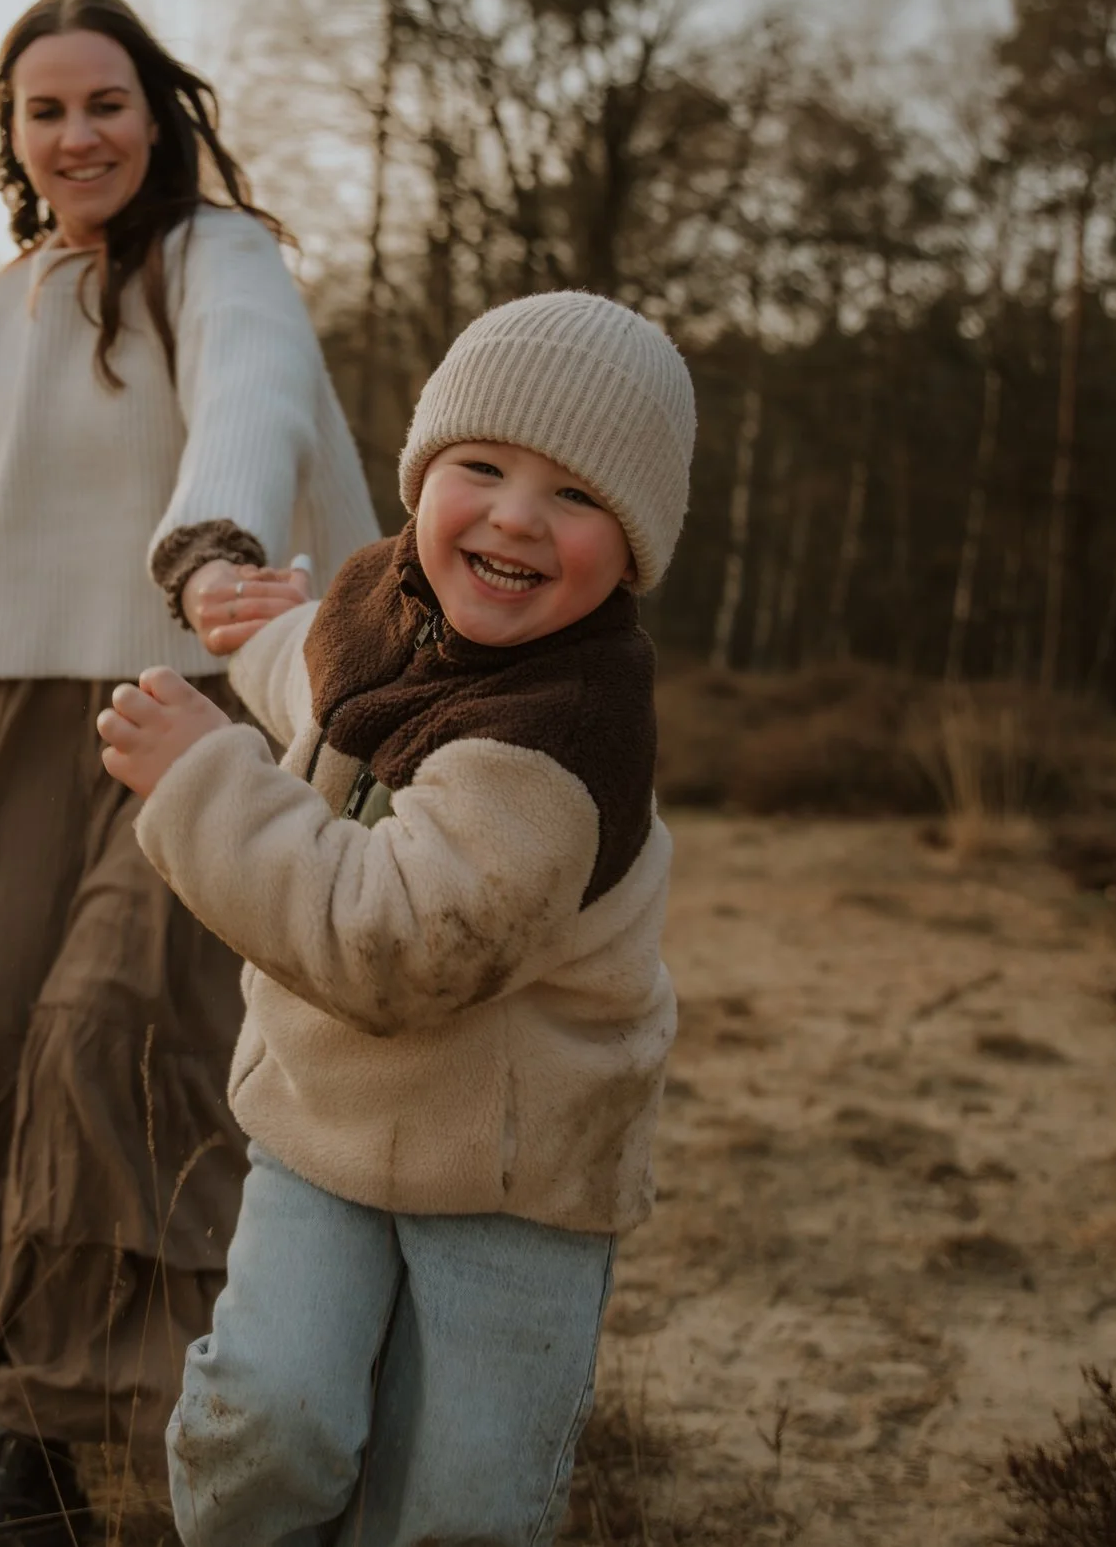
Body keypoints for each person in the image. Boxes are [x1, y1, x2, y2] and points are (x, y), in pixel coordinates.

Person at [0, 0, 379, 1543]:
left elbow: (256, 404)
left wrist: (210, 548)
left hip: (194, 693)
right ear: (12, 134)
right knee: (1, 1035)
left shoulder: (227, 261)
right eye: (45, 108)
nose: (76, 132)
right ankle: (35, 1344)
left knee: (110, 1036)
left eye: (104, 101)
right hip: (16, 718)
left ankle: (52, 1440)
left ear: (157, 113)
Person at [95, 291, 696, 1544]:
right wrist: (246, 610)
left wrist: (207, 779)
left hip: (511, 1172)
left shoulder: (561, 736)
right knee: (266, 1422)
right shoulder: (389, 592)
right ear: (423, 477)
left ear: (635, 544)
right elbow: (325, 671)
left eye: (576, 496)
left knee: (458, 1502)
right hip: (327, 1123)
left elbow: (395, 944)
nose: (517, 514)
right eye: (480, 466)